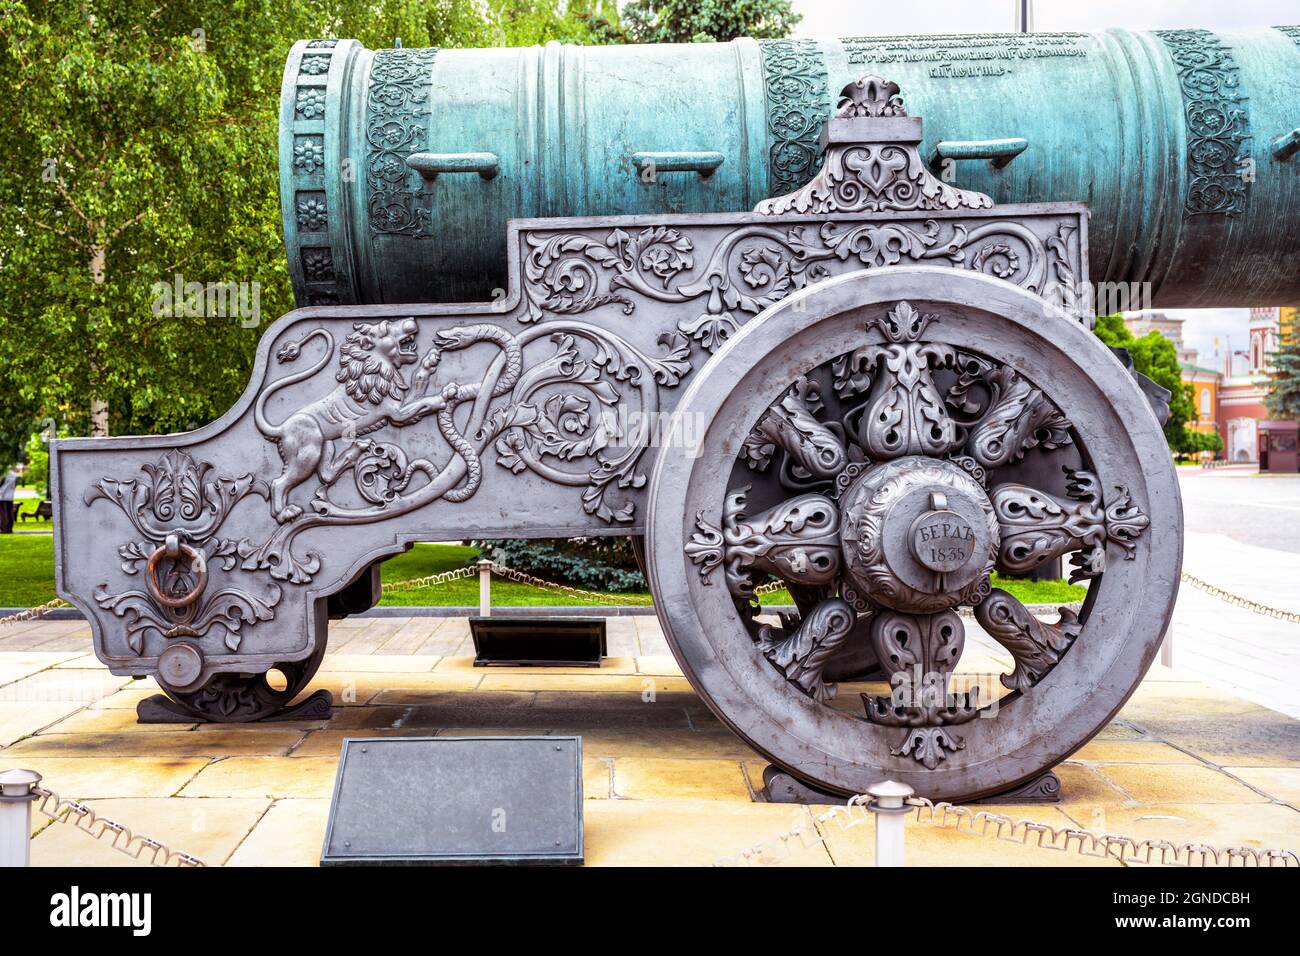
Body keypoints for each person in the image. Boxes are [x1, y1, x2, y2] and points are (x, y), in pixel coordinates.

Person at [0, 468, 17, 534]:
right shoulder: (14, 474)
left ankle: (4, 528)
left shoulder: (3, 474)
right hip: (10, 496)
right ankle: (9, 528)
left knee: (3, 513)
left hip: (2, 495)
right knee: (10, 512)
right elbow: (15, 485)